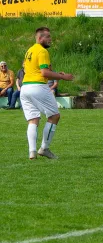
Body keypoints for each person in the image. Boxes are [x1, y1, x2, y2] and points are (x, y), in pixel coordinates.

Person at [21, 27, 74, 159]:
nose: (50, 39)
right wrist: (63, 77)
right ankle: (44, 148)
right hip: (38, 87)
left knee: (33, 119)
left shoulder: (30, 50)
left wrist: (56, 74)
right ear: (40, 38)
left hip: (25, 87)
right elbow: (44, 73)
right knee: (54, 116)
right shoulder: (42, 51)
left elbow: (32, 70)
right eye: (48, 37)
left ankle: (32, 151)